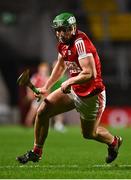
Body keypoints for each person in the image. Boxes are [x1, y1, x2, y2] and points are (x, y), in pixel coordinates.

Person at [16, 12, 122, 164]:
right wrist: (46, 87)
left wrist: (68, 83)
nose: (60, 33)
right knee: (43, 111)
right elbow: (60, 66)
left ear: (73, 28)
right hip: (74, 89)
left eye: (64, 29)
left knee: (89, 134)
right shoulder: (63, 44)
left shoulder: (81, 43)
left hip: (91, 95)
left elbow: (89, 74)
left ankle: (113, 142)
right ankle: (36, 152)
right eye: (58, 30)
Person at [24, 62, 50, 127]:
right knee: (33, 111)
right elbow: (30, 86)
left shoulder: (48, 77)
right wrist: (29, 94)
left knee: (47, 112)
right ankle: (28, 123)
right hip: (37, 97)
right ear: (39, 69)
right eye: (42, 70)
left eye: (45, 70)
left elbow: (49, 89)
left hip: (45, 98)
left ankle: (46, 125)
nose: (44, 71)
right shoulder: (36, 77)